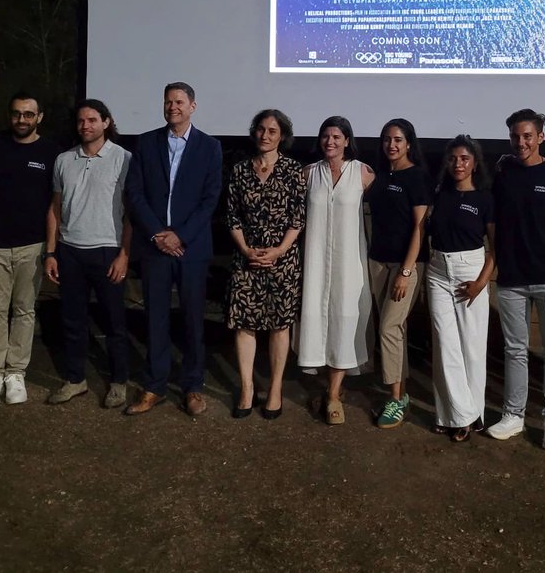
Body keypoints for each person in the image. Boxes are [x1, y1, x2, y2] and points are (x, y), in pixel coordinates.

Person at [124, 82, 223, 417]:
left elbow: (211, 199)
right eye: (168, 102)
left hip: (191, 249)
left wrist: (179, 236)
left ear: (193, 106)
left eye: (179, 102)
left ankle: (193, 386)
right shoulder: (146, 143)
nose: (172, 107)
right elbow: (134, 194)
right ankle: (154, 386)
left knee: (194, 321)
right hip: (155, 248)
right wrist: (157, 235)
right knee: (155, 319)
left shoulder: (210, 147)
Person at [486, 109, 545, 450]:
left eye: (526, 136)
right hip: (512, 279)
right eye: (514, 137)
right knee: (515, 351)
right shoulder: (503, 173)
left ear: (541, 137)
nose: (520, 142)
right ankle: (514, 415)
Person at [44, 99, 133, 408]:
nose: (86, 126)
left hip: (107, 250)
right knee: (72, 321)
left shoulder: (124, 159)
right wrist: (51, 252)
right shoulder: (63, 160)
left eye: (93, 120)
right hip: (70, 251)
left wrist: (124, 254)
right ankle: (75, 380)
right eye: (81, 121)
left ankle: (119, 382)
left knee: (114, 323)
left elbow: (130, 214)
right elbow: (54, 209)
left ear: (106, 122)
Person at [0, 92, 60, 406]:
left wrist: (51, 248)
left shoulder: (52, 152)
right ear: (9, 116)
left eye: (28, 114)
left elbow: (55, 201)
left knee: (24, 311)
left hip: (32, 244)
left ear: (39, 117)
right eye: (16, 114)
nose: (21, 120)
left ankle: (16, 374)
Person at [225, 109, 305, 419]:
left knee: (278, 326)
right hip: (246, 259)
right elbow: (231, 214)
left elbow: (298, 218)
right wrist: (246, 250)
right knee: (245, 325)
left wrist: (278, 251)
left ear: (282, 136)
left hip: (281, 262)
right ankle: (246, 388)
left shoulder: (293, 170)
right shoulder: (240, 170)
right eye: (260, 129)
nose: (265, 135)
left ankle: (274, 388)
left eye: (272, 131)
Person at [296, 115, 375, 425]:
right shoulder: (308, 173)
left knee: (345, 317)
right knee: (315, 316)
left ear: (347, 141)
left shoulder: (364, 174)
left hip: (349, 261)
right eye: (326, 136)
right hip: (315, 261)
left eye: (337, 137)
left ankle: (333, 395)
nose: (330, 141)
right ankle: (328, 385)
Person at [425, 135, 495, 442]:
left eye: (464, 159)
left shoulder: (485, 198)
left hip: (472, 271)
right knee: (445, 346)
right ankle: (454, 415)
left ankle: (472, 413)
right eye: (453, 159)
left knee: (472, 348)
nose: (458, 164)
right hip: (438, 272)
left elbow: (497, 247)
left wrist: (481, 283)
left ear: (474, 163)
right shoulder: (439, 194)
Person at [365, 118, 432, 429]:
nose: (391, 145)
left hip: (406, 266)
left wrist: (406, 271)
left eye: (398, 140)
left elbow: (420, 228)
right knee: (394, 331)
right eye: (387, 139)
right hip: (378, 262)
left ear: (409, 144)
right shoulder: (379, 175)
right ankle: (400, 393)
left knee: (390, 328)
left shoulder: (417, 177)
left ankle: (394, 400)